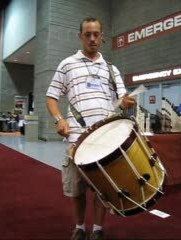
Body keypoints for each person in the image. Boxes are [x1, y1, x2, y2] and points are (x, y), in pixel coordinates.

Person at [46, 17, 136, 240]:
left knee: (101, 187)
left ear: (102, 36)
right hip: (77, 137)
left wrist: (124, 103)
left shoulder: (111, 70)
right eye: (88, 34)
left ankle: (97, 229)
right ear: (80, 36)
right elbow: (51, 97)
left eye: (96, 34)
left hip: (105, 137)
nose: (92, 38)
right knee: (77, 190)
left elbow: (120, 101)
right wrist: (59, 119)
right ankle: (79, 227)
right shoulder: (67, 65)